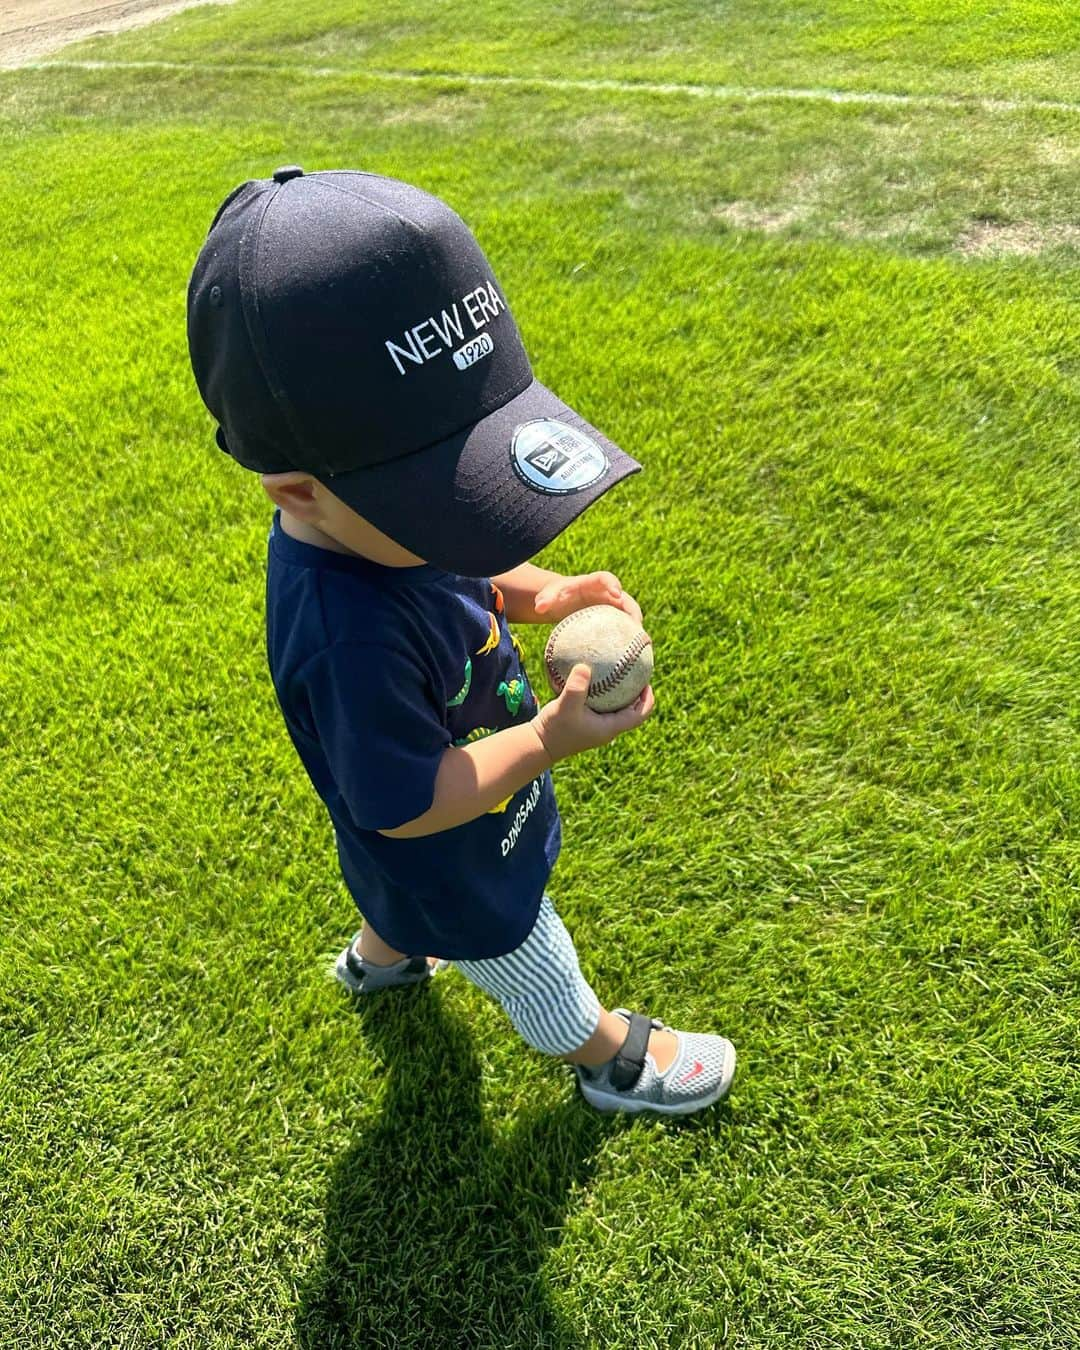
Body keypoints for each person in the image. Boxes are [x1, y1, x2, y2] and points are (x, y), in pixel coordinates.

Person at [186, 165, 735, 1115]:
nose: (474, 530)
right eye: (450, 501)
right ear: (295, 489)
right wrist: (550, 741)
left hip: (424, 837)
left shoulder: (383, 527)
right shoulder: (347, 638)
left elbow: (467, 571)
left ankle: (381, 957)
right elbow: (407, 805)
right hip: (451, 838)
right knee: (522, 943)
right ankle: (609, 1060)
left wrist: (545, 592)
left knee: (394, 886)